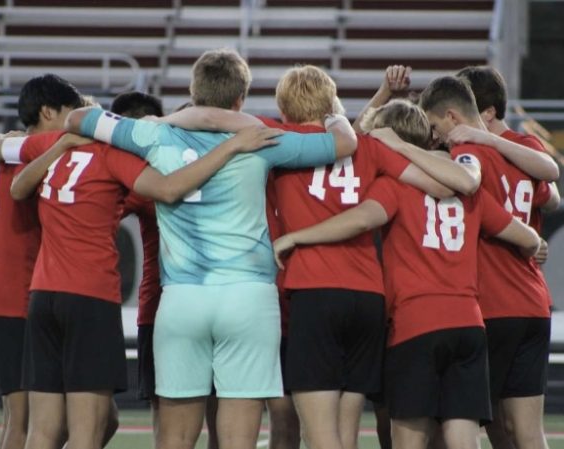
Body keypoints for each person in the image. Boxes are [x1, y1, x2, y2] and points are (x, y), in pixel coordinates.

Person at [66, 48, 358, 449]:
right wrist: (334, 112)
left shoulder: (153, 133)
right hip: (249, 298)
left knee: (174, 440)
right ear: (240, 98)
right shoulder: (261, 137)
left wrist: (175, 118)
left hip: (182, 298)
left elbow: (77, 118)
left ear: (193, 90)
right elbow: (343, 143)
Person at [272, 100, 542, 449]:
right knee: (462, 437)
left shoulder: (395, 186)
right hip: (469, 325)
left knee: (407, 437)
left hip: (416, 323)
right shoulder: (466, 193)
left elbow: (362, 218)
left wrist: (297, 236)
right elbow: (529, 238)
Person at [378, 75, 557, 449]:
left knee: (461, 421)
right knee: (525, 431)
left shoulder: (465, 157)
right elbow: (552, 191)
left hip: (486, 302)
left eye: (437, 126)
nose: (437, 137)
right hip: (532, 301)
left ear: (452, 116)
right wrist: (532, 240)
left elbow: (460, 184)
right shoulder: (520, 149)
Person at [0, 74, 83, 449]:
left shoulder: (7, 153)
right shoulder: (35, 156)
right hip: (22, 296)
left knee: (17, 419)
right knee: (29, 422)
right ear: (48, 112)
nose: (72, 120)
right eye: (68, 112)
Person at [111, 91, 164, 447]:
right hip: (227, 299)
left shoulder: (138, 180)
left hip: (161, 308)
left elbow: (98, 213)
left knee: (167, 418)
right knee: (226, 412)